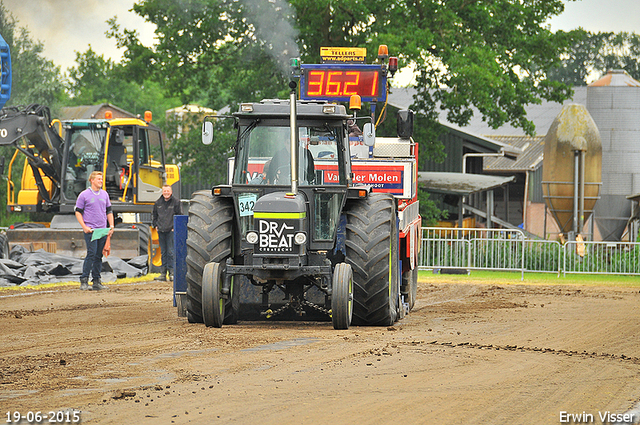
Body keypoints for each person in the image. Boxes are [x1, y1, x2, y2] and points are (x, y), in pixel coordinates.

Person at [75, 171, 114, 291]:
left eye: (101, 179)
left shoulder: (104, 195)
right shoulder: (84, 195)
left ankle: (96, 280)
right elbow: (78, 212)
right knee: (91, 253)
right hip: (91, 230)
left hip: (102, 229)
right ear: (92, 180)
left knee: (98, 255)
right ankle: (84, 279)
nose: (101, 181)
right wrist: (84, 227)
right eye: (98, 179)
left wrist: (111, 225)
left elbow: (109, 211)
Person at [153, 184, 182, 281]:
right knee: (163, 252)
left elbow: (179, 215)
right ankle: (163, 274)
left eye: (168, 191)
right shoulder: (158, 203)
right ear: (162, 192)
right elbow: (154, 216)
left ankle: (172, 273)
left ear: (171, 192)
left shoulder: (176, 202)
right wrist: (155, 226)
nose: (166, 193)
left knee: (170, 252)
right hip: (161, 231)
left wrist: (175, 227)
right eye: (164, 191)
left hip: (171, 231)